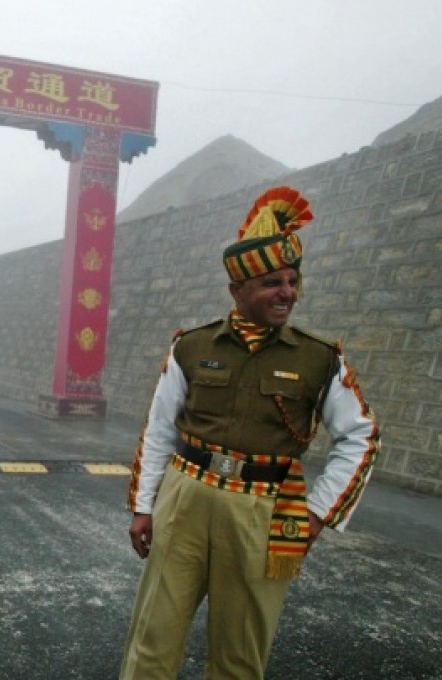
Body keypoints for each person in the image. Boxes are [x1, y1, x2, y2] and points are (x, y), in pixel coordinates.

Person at [120, 186, 381, 678]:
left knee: (240, 652)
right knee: (154, 637)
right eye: (270, 283)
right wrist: (144, 505)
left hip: (264, 509)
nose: (286, 293)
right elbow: (158, 430)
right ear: (237, 292)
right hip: (185, 499)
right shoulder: (191, 347)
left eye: (292, 281)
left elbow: (361, 437)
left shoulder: (319, 357)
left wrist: (318, 514)